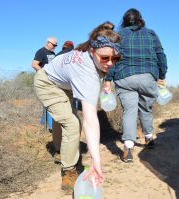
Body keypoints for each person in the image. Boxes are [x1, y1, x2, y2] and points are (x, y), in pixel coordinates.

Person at [34, 21, 121, 190]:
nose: (110, 63)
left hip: (65, 86)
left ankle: (59, 148)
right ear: (92, 51)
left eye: (115, 58)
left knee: (66, 119)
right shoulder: (85, 70)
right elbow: (90, 119)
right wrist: (97, 161)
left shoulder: (88, 50)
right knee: (73, 123)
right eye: (104, 58)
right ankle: (68, 170)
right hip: (47, 83)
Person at [104, 8, 168, 163]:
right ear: (140, 20)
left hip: (124, 77)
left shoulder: (118, 36)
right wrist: (162, 76)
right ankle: (148, 138)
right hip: (147, 76)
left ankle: (128, 148)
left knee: (129, 111)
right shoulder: (151, 33)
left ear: (124, 21)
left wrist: (107, 80)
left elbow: (112, 58)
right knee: (145, 109)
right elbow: (161, 55)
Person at [32, 36, 58, 131]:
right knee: (50, 103)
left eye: (56, 45)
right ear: (48, 43)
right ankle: (51, 128)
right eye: (53, 45)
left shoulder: (53, 53)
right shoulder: (41, 52)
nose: (55, 47)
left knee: (47, 103)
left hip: (52, 81)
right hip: (44, 81)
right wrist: (44, 74)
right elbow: (34, 64)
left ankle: (43, 124)